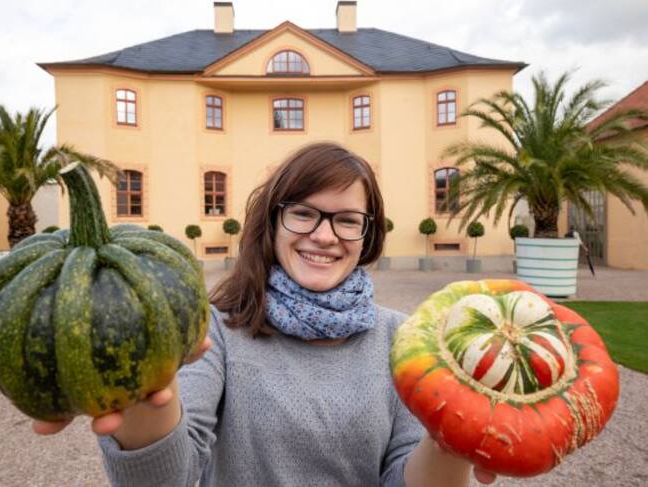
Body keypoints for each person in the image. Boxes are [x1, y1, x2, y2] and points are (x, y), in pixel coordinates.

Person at [33, 142, 496, 486]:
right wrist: (139, 384)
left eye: (347, 220)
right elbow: (169, 478)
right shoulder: (214, 329)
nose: (325, 236)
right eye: (303, 213)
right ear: (273, 222)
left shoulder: (405, 338)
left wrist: (451, 437)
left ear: (367, 234)